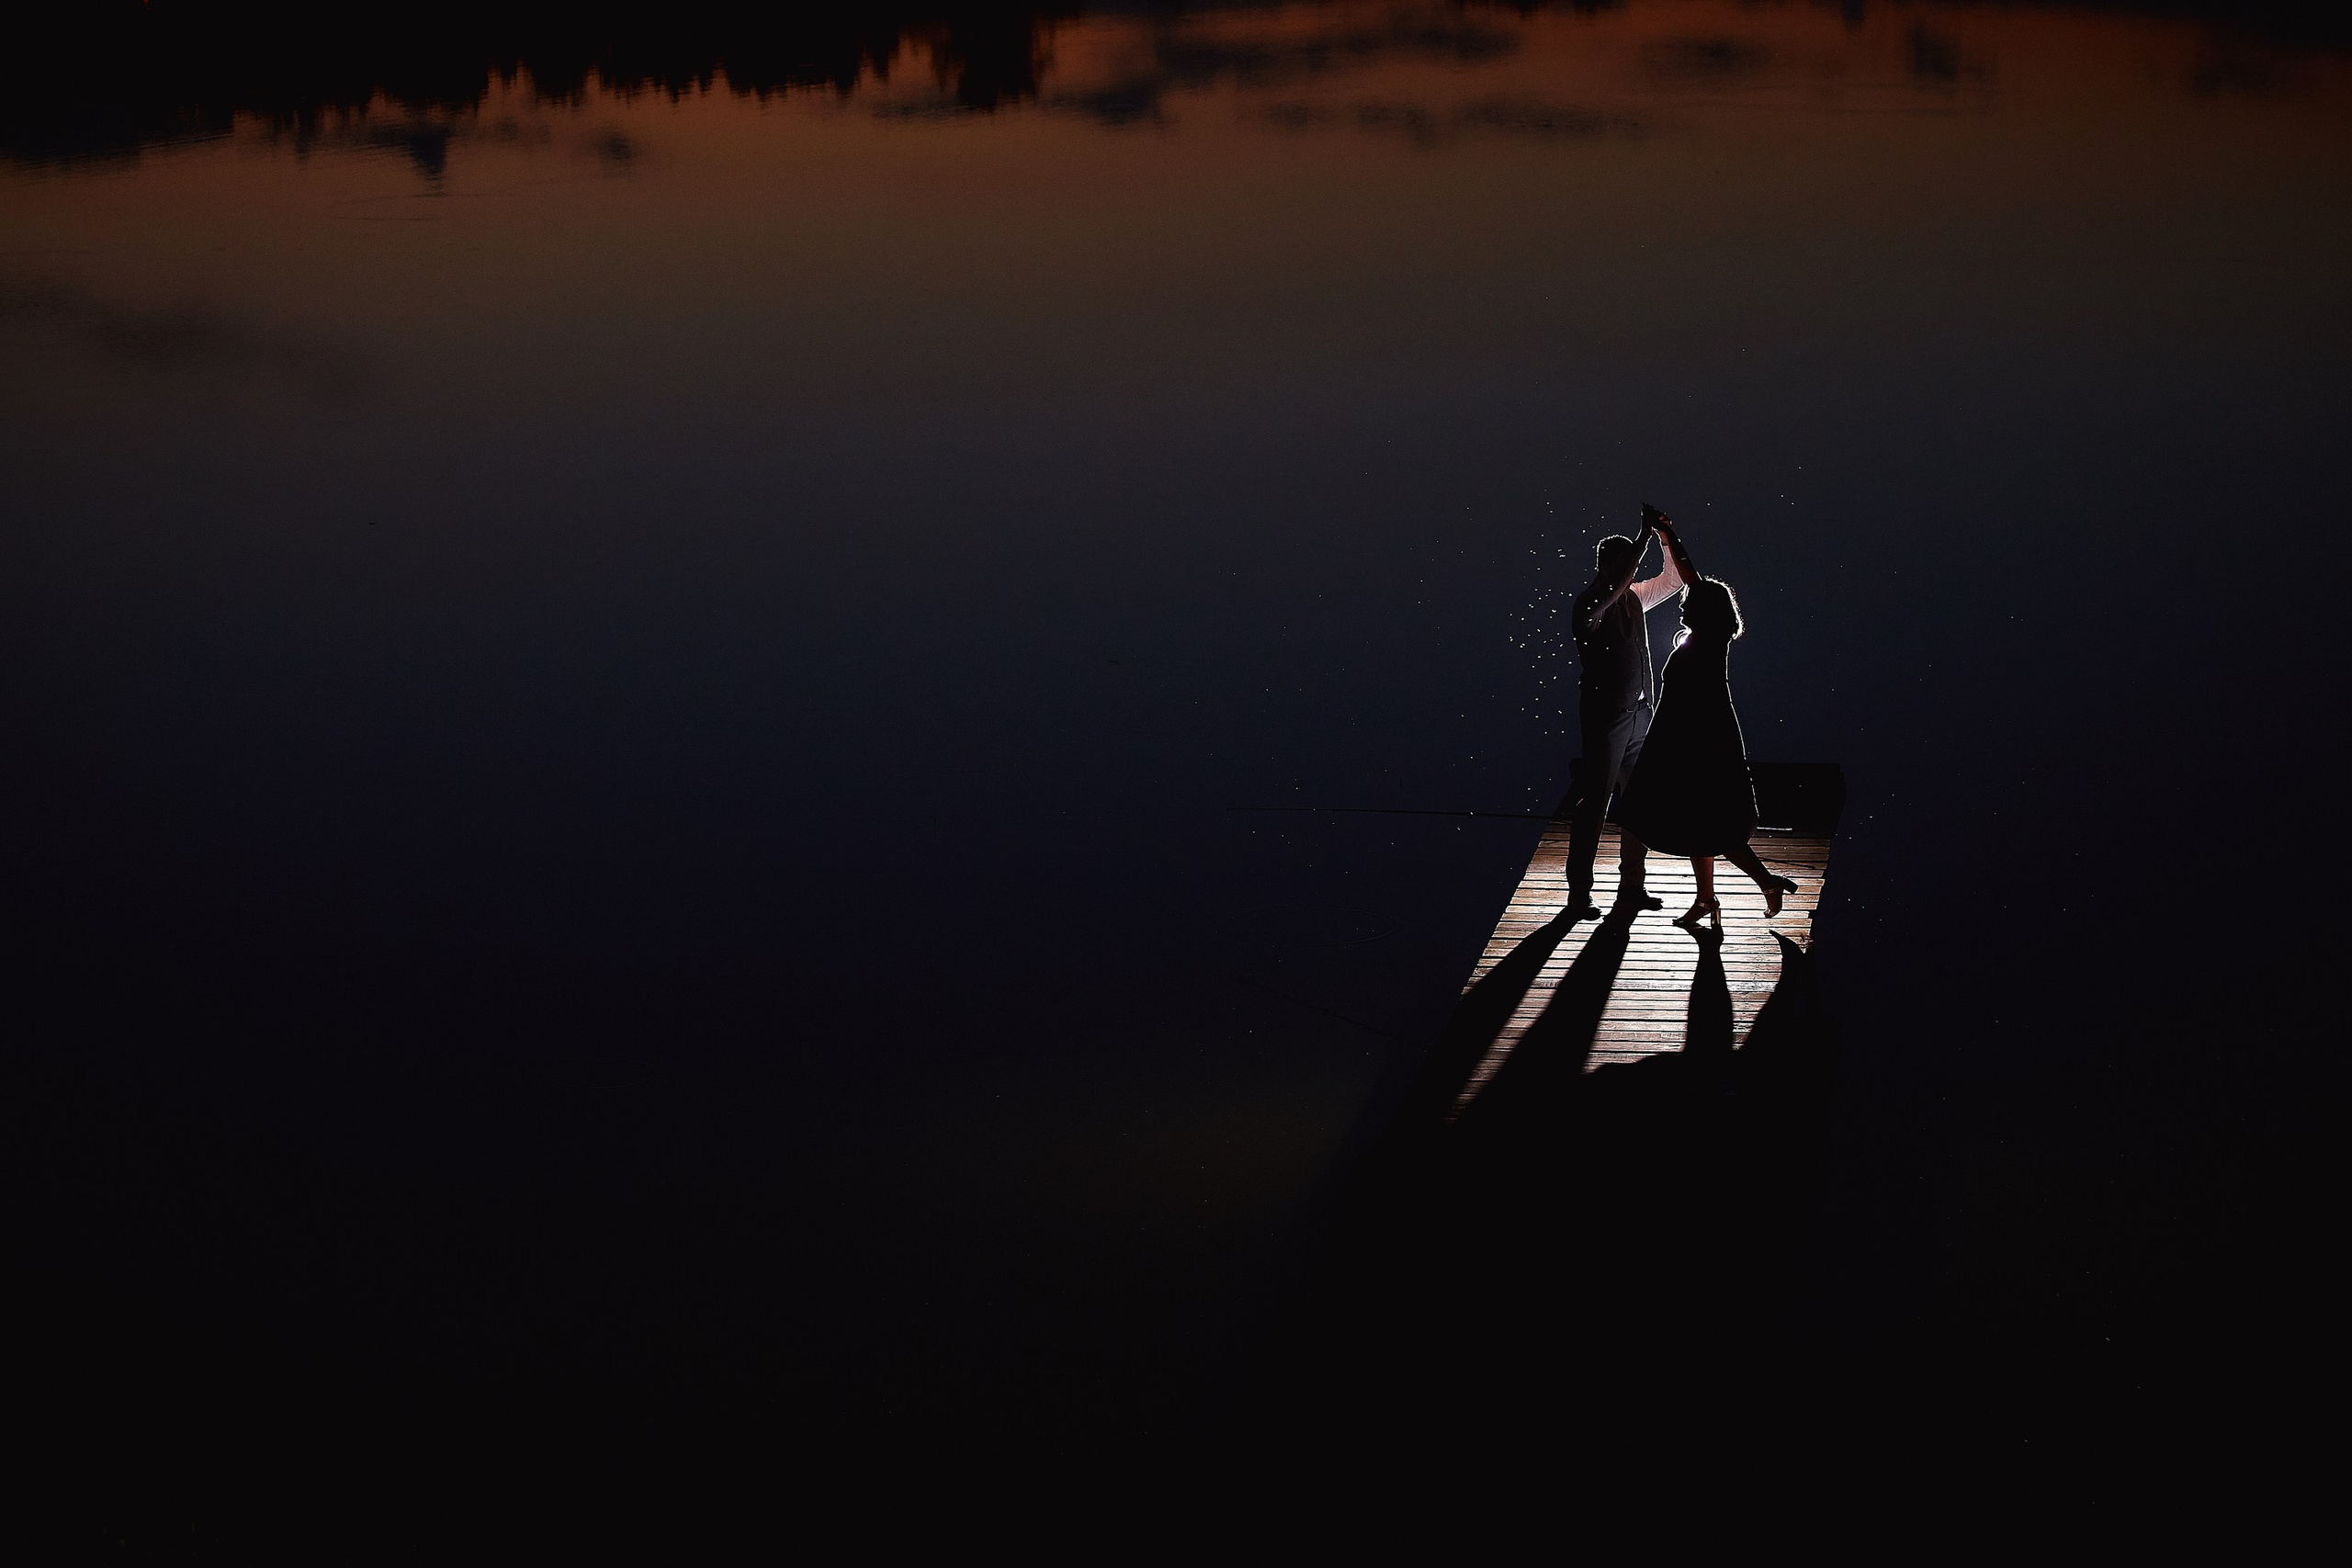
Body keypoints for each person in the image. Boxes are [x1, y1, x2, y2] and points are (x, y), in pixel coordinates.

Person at [1613, 520, 1797, 930]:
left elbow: (1692, 577)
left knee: (1709, 821)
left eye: (1689, 603)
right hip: (1686, 734)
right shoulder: (1705, 635)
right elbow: (1692, 580)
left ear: (1706, 611)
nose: (1682, 605)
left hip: (1702, 738)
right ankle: (1708, 899)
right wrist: (1665, 536)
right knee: (1698, 821)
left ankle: (1764, 882)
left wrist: (1665, 534)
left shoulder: (1711, 637)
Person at [1560, 508, 1684, 919]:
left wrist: (1665, 538)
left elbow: (1674, 580)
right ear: (1605, 567)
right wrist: (1643, 535)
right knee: (1595, 801)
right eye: (1624, 566)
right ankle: (1579, 892)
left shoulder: (1634, 596)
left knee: (1639, 800)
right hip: (1606, 716)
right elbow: (1614, 585)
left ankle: (1632, 885)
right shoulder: (1589, 606)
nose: (1629, 574)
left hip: (1639, 714)